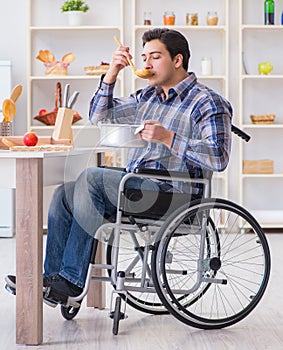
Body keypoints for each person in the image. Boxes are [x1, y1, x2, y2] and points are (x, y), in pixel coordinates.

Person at [5, 28, 233, 305]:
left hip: (177, 194)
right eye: (144, 57)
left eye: (155, 56)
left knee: (90, 178)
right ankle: (52, 280)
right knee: (65, 193)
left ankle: (72, 281)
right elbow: (99, 116)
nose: (146, 63)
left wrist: (168, 137)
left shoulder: (208, 102)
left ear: (178, 60)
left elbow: (219, 158)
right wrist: (111, 74)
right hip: (137, 184)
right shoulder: (147, 97)